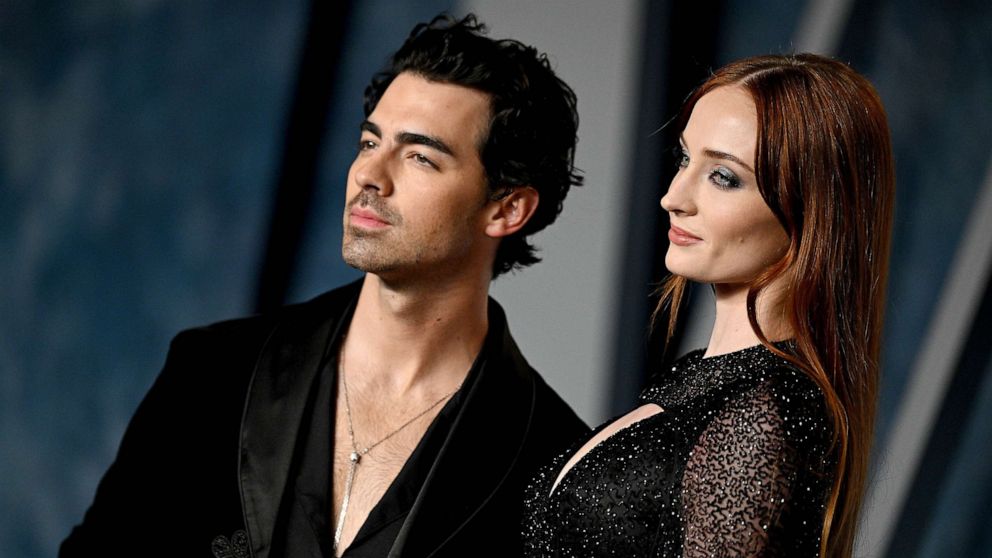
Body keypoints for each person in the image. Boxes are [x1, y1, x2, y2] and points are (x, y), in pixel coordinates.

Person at [61, 14, 589, 558]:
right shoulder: (212, 372)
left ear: (507, 209)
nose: (369, 176)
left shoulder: (558, 468)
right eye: (368, 142)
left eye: (419, 157)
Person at [523, 54, 894, 557]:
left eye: (723, 176)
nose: (674, 197)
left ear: (812, 210)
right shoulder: (702, 381)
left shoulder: (762, 413)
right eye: (684, 159)